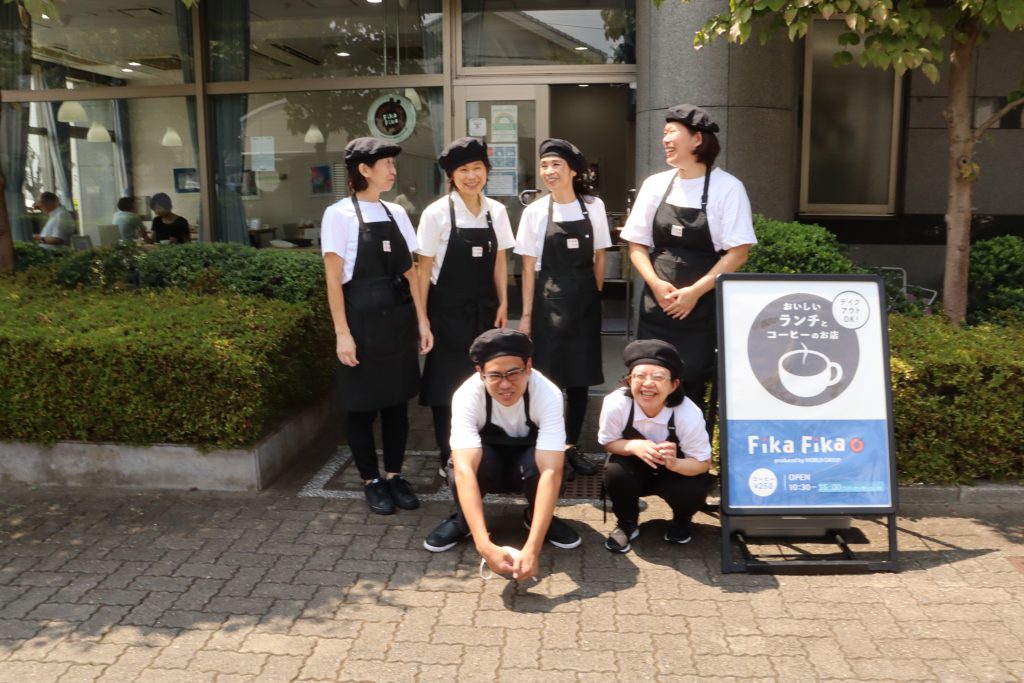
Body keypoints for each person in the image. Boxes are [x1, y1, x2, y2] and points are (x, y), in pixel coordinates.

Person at [321, 137, 433, 516]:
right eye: (387, 164)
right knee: (361, 408)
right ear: (364, 170)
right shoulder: (338, 215)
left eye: (393, 164)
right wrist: (342, 333)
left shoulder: (396, 213)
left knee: (397, 406)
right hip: (361, 322)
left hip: (398, 320)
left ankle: (395, 476)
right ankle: (371, 480)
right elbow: (333, 280)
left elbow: (410, 272)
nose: (393, 171)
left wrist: (422, 320)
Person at [622, 104, 756, 416]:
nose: (665, 139)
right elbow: (636, 245)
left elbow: (738, 252)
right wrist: (656, 284)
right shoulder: (655, 184)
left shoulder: (728, 188)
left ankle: (689, 445)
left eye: (672, 132)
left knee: (692, 379)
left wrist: (694, 292)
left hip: (701, 305)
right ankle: (648, 442)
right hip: (657, 303)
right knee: (649, 377)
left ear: (697, 139)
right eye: (664, 132)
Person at [423, 328, 581, 580]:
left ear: (528, 367)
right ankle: (465, 522)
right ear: (480, 373)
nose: (505, 384)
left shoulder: (547, 393)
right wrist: (483, 545)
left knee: (549, 465)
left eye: (513, 373)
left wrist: (533, 548)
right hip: (489, 462)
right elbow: (464, 470)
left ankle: (538, 519)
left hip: (528, 463)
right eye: (495, 375)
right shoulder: (467, 395)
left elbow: (551, 471)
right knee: (457, 466)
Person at [514, 138, 612, 478]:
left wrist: (592, 294)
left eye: (556, 164)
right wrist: (526, 317)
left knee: (581, 380)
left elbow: (600, 256)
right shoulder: (535, 212)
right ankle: (549, 446)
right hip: (548, 302)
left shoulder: (593, 207)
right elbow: (528, 268)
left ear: (573, 171)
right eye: (544, 165)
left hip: (584, 303)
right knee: (549, 380)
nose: (549, 171)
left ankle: (571, 445)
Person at [417, 137, 515, 476]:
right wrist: (422, 320)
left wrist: (504, 302)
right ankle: (449, 455)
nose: (471, 176)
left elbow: (500, 260)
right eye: (463, 170)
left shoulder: (496, 211)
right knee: (446, 385)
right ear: (451, 176)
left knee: (485, 381)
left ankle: (481, 449)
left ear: (486, 170)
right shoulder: (436, 213)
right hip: (445, 313)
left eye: (477, 168)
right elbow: (423, 270)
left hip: (485, 312)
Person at [597, 339, 712, 552]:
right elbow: (609, 442)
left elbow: (703, 463)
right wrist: (632, 446)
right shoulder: (616, 404)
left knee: (693, 487)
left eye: (658, 377)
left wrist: (675, 463)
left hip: (675, 474)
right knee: (614, 470)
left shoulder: (688, 413)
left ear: (673, 385)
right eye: (640, 376)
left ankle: (682, 521)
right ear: (630, 380)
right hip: (635, 471)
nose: (648, 384)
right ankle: (627, 523)